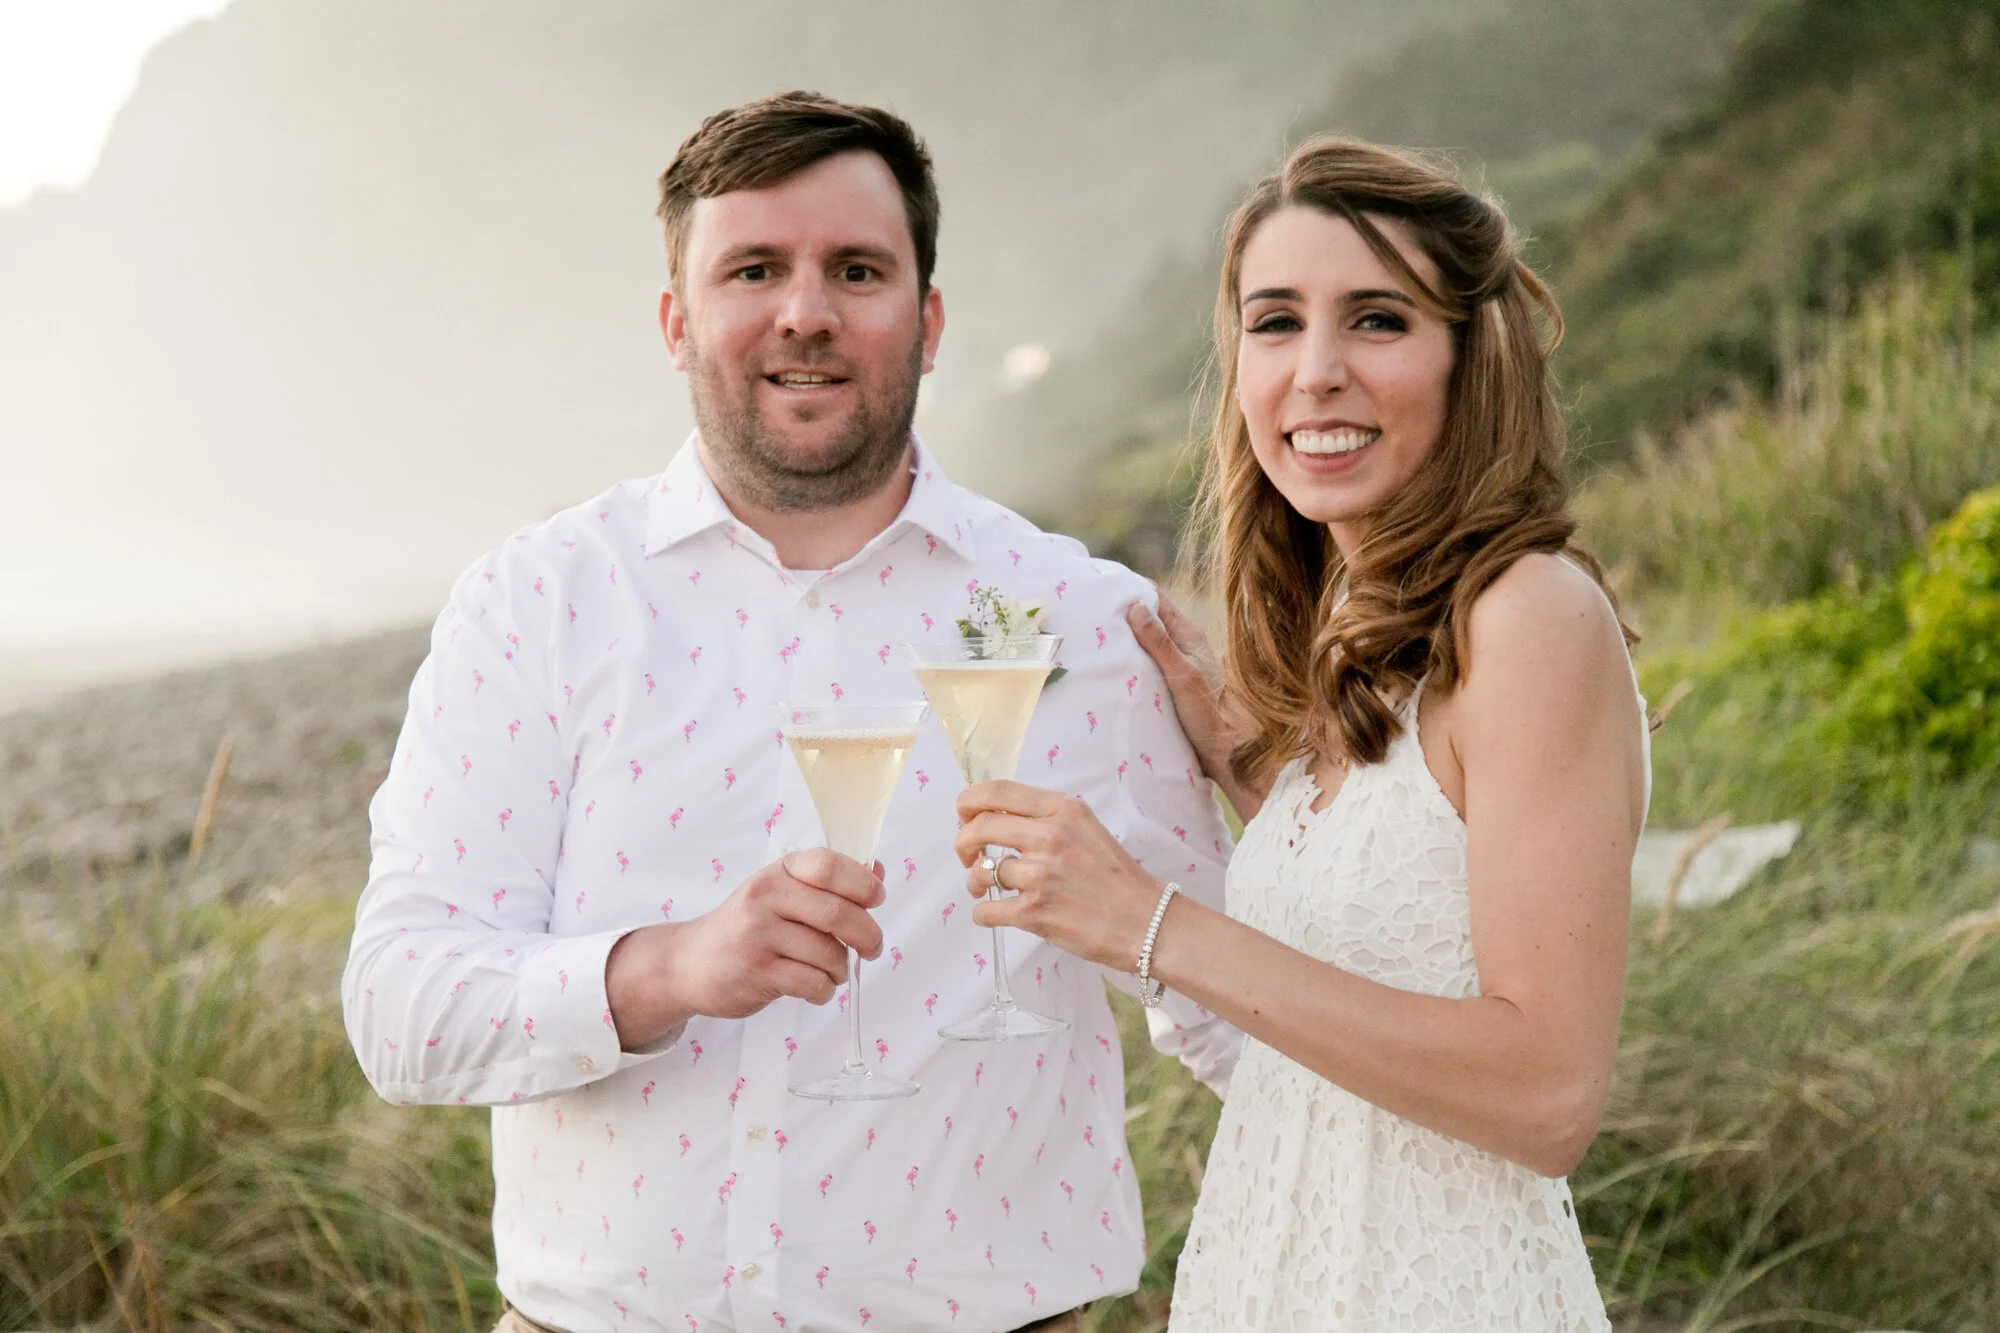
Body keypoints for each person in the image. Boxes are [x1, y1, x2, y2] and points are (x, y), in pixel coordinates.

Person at [340, 92, 1239, 1333]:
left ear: (926, 324)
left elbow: (1232, 1014)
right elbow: (398, 1010)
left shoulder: (1079, 619)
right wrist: (666, 970)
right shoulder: (535, 606)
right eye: (752, 268)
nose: (804, 311)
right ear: (675, 321)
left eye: (855, 270)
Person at [952, 136, 1651, 1329]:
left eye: (1375, 320)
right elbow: (1401, 921)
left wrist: (1148, 924)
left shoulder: (1529, 615)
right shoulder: (1357, 636)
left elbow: (1546, 1094)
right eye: (1273, 323)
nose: (1314, 371)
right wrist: (1251, 777)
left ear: (1465, 359)